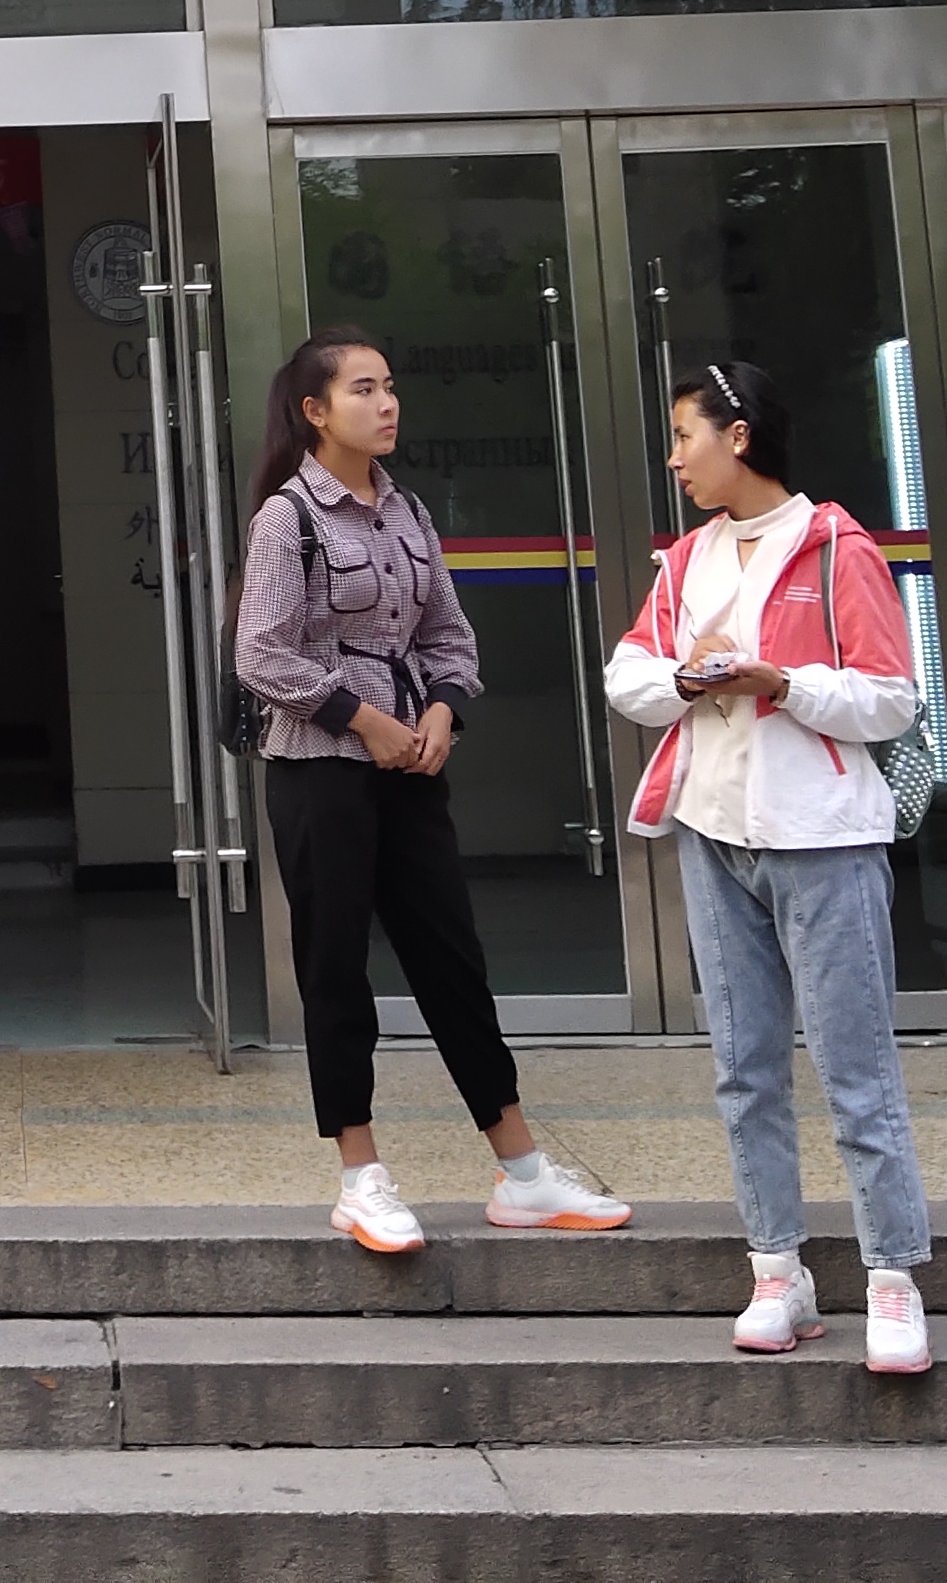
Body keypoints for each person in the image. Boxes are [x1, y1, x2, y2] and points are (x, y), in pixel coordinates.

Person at [233, 323, 630, 1253]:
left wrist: (443, 712)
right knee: (336, 969)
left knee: (453, 962)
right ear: (314, 411)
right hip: (320, 771)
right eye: (364, 390)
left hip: (411, 768)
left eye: (390, 386)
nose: (387, 404)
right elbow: (261, 654)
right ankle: (360, 1177)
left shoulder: (407, 509)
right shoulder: (288, 518)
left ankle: (523, 1173)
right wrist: (362, 720)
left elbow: (448, 635)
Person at [601, 354, 941, 1377]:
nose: (673, 460)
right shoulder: (686, 561)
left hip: (823, 839)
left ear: (738, 436)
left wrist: (779, 682)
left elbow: (890, 698)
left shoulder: (836, 548)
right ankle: (776, 1271)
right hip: (713, 834)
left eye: (684, 437)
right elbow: (627, 677)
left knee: (856, 1073)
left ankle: (893, 1279)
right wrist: (688, 678)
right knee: (744, 1071)